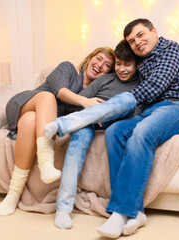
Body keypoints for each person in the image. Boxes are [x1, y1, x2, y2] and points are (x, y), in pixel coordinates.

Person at [96, 18, 179, 238]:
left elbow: (154, 87)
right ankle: (136, 213)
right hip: (152, 111)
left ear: (154, 31)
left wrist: (112, 107)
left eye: (141, 35)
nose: (137, 43)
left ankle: (120, 212)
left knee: (141, 133)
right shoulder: (141, 61)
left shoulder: (171, 49)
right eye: (132, 41)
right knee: (114, 131)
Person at [0, 47, 115, 216]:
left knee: (30, 121)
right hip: (26, 103)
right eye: (99, 58)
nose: (100, 65)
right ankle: (46, 162)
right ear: (90, 58)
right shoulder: (68, 68)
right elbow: (60, 92)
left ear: (108, 73)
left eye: (107, 65)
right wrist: (85, 102)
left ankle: (13, 194)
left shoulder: (96, 89)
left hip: (39, 121)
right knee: (48, 96)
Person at [53, 39, 141, 229]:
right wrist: (92, 110)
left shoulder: (141, 86)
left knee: (125, 101)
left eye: (127, 65)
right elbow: (77, 105)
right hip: (87, 122)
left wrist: (108, 115)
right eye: (118, 64)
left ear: (137, 65)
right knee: (79, 138)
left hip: (114, 123)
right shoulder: (104, 80)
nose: (122, 69)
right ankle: (63, 208)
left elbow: (137, 114)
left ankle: (60, 125)